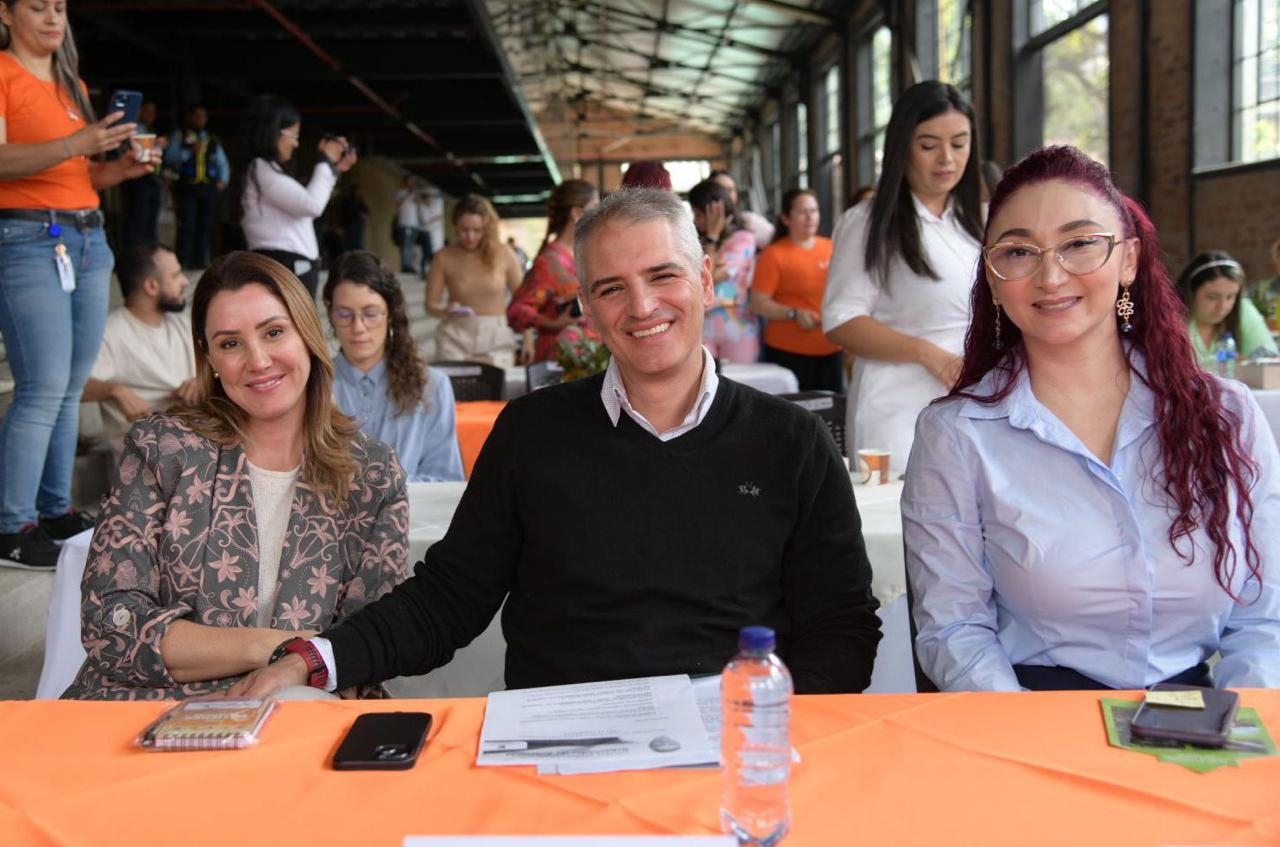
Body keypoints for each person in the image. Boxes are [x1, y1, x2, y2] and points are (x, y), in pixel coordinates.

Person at [228, 188, 882, 700]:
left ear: (707, 280)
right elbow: (450, 595)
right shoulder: (531, 434)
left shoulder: (791, 441)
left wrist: (767, 715)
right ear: (588, 312)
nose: (642, 305)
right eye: (611, 289)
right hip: (558, 734)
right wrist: (318, 657)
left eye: (664, 275)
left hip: (730, 737)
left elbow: (843, 624)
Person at [903, 145, 1280, 692]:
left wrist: (1237, 732)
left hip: (1204, 728)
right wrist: (1034, 749)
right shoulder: (958, 434)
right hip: (1032, 721)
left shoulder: (1225, 415)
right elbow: (954, 628)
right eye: (1018, 252)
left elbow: (1264, 616)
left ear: (1128, 259)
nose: (1050, 276)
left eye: (1079, 244)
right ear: (992, 275)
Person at [61, 252, 409, 699]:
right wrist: (278, 649)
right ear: (209, 358)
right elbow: (111, 621)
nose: (258, 360)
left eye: (274, 332)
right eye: (230, 343)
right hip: (144, 710)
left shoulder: (373, 473)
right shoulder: (160, 448)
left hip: (304, 722)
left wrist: (300, 669)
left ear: (309, 333)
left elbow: (365, 646)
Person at [0, 0, 153, 568]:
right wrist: (75, 144)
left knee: (68, 386)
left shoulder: (72, 84)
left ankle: (54, 508)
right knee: (41, 386)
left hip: (87, 235)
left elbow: (78, 173)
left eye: (59, 7)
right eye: (37, 7)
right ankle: (12, 525)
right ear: (6, 13)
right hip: (25, 237)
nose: (51, 17)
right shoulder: (3, 73)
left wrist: (120, 170)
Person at [822, 81, 984, 473]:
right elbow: (841, 320)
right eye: (928, 145)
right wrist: (929, 354)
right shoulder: (868, 222)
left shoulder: (977, 222)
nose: (946, 158)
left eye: (959, 144)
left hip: (974, 404)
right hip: (900, 409)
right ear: (901, 147)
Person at [324, 250, 464, 482]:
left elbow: (446, 479)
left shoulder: (431, 385)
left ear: (390, 313)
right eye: (344, 314)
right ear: (330, 314)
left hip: (415, 516)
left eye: (370, 314)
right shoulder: (313, 385)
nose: (358, 327)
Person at [229, 94, 356, 299]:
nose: (296, 144)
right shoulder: (261, 168)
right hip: (286, 266)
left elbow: (309, 202)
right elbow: (312, 205)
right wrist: (325, 161)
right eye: (294, 135)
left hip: (288, 266)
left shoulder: (258, 170)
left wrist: (334, 168)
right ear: (273, 132)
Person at [81, 243, 198, 453]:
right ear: (151, 287)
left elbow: (222, 369)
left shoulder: (182, 322)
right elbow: (73, 387)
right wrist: (115, 391)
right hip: (148, 456)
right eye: (176, 275)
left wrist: (205, 381)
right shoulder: (111, 333)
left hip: (198, 440)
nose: (185, 281)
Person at [750, 188, 843, 392]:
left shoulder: (832, 247)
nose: (810, 217)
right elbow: (758, 303)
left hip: (831, 348)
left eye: (814, 210)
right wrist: (793, 313)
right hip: (788, 350)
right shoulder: (774, 255)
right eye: (802, 211)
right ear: (786, 218)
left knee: (832, 415)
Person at [506, 178, 598, 363]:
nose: (600, 214)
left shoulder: (587, 254)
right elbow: (516, 310)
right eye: (595, 207)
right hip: (560, 365)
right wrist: (552, 324)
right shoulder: (550, 262)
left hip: (591, 360)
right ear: (577, 213)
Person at [425, 194, 522, 365]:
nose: (470, 237)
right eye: (464, 230)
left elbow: (523, 301)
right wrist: (446, 311)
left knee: (499, 389)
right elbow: (430, 304)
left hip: (495, 335)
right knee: (457, 389)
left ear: (487, 228)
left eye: (477, 230)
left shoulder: (504, 253)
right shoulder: (443, 256)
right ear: (455, 226)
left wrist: (528, 338)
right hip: (456, 334)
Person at [689, 177, 758, 363]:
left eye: (699, 215)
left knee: (740, 383)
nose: (696, 221)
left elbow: (707, 277)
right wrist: (711, 238)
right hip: (703, 325)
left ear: (716, 211)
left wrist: (711, 237)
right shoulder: (696, 242)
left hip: (736, 325)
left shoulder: (743, 239)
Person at [1178, 250, 1278, 367]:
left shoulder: (1244, 310)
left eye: (1230, 297)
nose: (1222, 306)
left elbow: (1271, 362)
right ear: (1190, 292)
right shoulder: (1171, 319)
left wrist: (1249, 365)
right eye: (1212, 297)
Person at [162, 104, 229, 269]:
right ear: (190, 117)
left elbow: (222, 162)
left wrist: (223, 180)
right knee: (187, 224)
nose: (201, 119)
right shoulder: (179, 135)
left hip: (208, 187)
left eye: (203, 116)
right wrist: (190, 151)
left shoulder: (212, 139)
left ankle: (202, 262)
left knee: (205, 225)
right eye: (197, 116)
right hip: (186, 188)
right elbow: (169, 158)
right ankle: (184, 262)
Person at [119, 99, 163, 250]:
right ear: (138, 112)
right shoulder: (130, 129)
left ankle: (148, 258)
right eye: (147, 111)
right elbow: (139, 153)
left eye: (153, 112)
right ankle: (132, 257)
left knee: (151, 222)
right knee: (137, 220)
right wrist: (156, 144)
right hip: (136, 179)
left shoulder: (150, 128)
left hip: (151, 178)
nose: (151, 115)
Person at [710, 169, 775, 247]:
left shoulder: (750, 221)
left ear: (736, 195)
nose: (725, 195)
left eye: (730, 190)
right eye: (720, 190)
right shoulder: (699, 226)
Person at [392, 176, 418, 273]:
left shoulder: (415, 193)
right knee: (405, 246)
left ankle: (410, 265)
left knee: (411, 246)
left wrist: (415, 194)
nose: (411, 184)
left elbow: (419, 204)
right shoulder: (400, 193)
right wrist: (408, 194)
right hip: (404, 223)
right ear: (405, 183)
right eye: (409, 182)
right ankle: (405, 266)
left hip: (414, 224)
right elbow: (398, 204)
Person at [415, 186, 442, 275]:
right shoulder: (422, 208)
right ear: (425, 199)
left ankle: (428, 270)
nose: (430, 200)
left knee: (429, 253)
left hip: (427, 232)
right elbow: (425, 222)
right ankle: (423, 270)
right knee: (427, 253)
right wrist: (436, 218)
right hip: (423, 233)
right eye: (429, 198)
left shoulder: (427, 208)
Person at [338, 183, 367, 251]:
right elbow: (345, 213)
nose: (358, 193)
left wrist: (362, 215)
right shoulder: (347, 200)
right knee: (350, 245)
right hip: (350, 225)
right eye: (357, 191)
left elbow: (366, 211)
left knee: (358, 245)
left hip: (358, 225)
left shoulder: (360, 201)